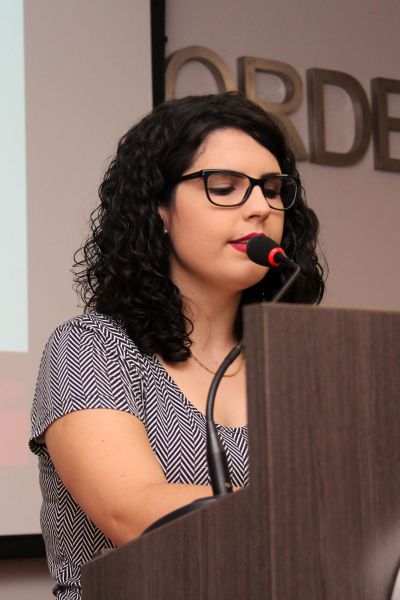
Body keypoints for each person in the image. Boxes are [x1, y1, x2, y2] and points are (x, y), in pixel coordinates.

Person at [30, 92, 325, 599]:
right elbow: (133, 512)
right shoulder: (91, 348)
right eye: (225, 187)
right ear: (160, 208)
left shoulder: (296, 362)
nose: (260, 207)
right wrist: (316, 515)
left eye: (273, 189)